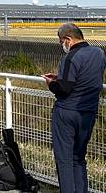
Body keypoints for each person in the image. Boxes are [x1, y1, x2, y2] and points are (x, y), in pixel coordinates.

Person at [42, 23, 106, 193]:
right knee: (79, 158)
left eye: (61, 41)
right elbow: (86, 77)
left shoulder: (70, 57)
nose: (61, 45)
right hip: (89, 112)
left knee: (64, 160)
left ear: (68, 39)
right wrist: (61, 77)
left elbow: (64, 89)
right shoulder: (99, 53)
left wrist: (51, 83)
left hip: (67, 113)